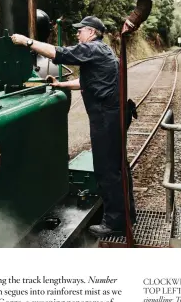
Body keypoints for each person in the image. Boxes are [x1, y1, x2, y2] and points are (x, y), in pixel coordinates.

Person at [11, 16, 135, 238]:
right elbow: (86, 82)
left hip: (106, 118)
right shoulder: (102, 52)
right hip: (112, 116)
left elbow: (59, 54)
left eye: (80, 31)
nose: (77, 35)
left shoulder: (92, 49)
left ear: (91, 32)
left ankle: (114, 222)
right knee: (117, 166)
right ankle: (127, 214)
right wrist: (60, 84)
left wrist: (26, 41)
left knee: (107, 170)